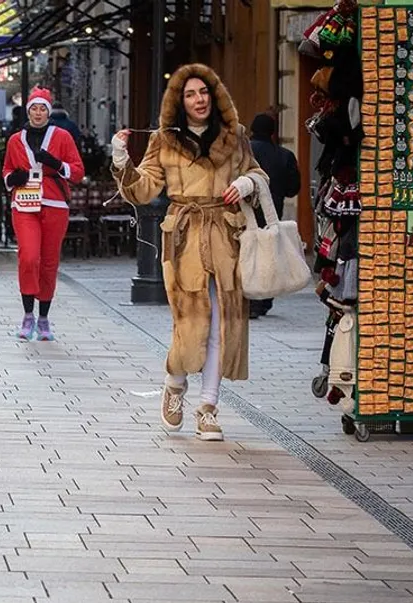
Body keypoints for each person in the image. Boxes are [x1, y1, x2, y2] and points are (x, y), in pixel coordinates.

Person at [113, 63, 266, 442]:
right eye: (190, 94)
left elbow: (259, 174)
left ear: (215, 96)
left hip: (227, 235)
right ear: (179, 102)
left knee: (224, 322)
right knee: (191, 321)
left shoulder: (236, 136)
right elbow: (145, 189)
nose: (199, 100)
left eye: (204, 92)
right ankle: (174, 382)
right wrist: (121, 162)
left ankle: (209, 408)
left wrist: (247, 182)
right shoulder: (164, 140)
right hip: (183, 236)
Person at [2, 87, 85, 341]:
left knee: (49, 261)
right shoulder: (15, 140)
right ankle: (28, 314)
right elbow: (6, 172)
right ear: (28, 111)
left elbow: (78, 172)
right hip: (25, 204)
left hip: (55, 204)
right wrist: (14, 177)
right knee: (28, 257)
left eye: (42, 109)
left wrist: (56, 164)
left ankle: (44, 318)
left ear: (48, 112)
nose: (38, 113)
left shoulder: (62, 137)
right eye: (34, 109)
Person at [247, 112, 301, 318]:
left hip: (244, 214)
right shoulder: (285, 155)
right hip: (271, 214)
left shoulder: (243, 152)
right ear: (272, 132)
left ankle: (247, 296)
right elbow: (292, 188)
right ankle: (262, 300)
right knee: (268, 255)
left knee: (247, 254)